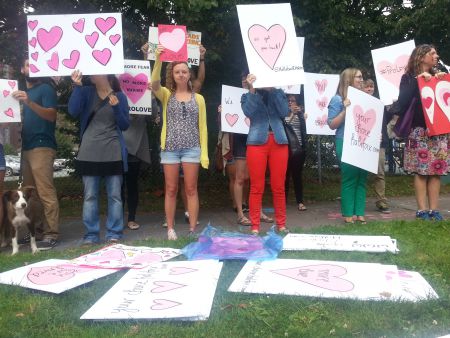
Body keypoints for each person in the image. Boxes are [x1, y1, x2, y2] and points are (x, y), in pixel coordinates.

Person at [152, 45, 209, 240]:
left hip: (192, 148)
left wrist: (204, 154)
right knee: (171, 189)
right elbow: (153, 84)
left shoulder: (199, 99)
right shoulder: (167, 95)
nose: (181, 74)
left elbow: (203, 128)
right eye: (177, 71)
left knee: (191, 189)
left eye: (184, 71)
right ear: (172, 74)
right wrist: (158, 59)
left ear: (189, 74)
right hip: (170, 149)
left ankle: (193, 229)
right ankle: (170, 228)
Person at [68, 71, 129, 244]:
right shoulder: (86, 91)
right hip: (89, 151)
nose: (90, 74)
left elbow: (124, 125)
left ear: (105, 73)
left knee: (115, 195)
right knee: (90, 196)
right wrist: (77, 88)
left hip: (113, 151)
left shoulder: (120, 97)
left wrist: (116, 108)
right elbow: (73, 111)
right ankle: (91, 234)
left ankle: (114, 233)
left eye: (94, 70)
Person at [12, 58, 59, 250]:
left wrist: (29, 102)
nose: (30, 67)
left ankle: (52, 233)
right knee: (31, 195)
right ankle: (37, 232)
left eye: (34, 64)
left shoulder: (46, 89)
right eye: (27, 65)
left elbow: (51, 115)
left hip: (42, 146)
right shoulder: (20, 94)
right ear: (22, 70)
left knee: (45, 192)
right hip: (27, 147)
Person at [397, 44, 449, 220]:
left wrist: (443, 82)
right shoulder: (408, 78)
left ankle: (434, 210)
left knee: (436, 171)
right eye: (432, 53)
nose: (436, 56)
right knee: (421, 171)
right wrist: (418, 80)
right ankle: (421, 210)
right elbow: (402, 103)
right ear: (421, 57)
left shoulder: (439, 76)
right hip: (419, 131)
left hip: (439, 131)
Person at [241, 74, 289, 235]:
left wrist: (273, 89)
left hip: (279, 142)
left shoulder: (279, 92)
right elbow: (249, 112)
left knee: (279, 186)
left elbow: (284, 112)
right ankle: (255, 226)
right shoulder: (247, 95)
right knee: (256, 186)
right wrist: (253, 89)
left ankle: (281, 224)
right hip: (256, 143)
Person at [327, 68, 366, 224]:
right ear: (349, 79)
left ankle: (360, 213)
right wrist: (345, 110)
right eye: (359, 77)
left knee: (362, 178)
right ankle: (349, 214)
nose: (362, 80)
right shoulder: (337, 99)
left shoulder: (364, 99)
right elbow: (332, 124)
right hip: (345, 140)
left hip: (362, 142)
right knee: (350, 178)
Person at [362, 79, 391, 213]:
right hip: (361, 142)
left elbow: (386, 119)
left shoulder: (380, 103)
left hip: (379, 143)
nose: (369, 89)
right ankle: (358, 200)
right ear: (362, 88)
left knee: (379, 173)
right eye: (366, 87)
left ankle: (381, 201)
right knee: (359, 173)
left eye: (371, 86)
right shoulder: (358, 102)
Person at [284, 94, 308, 211]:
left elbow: (305, 130)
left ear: (297, 103)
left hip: (299, 149)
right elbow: (285, 125)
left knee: (297, 176)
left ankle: (300, 202)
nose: (290, 102)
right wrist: (291, 113)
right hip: (286, 149)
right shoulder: (282, 113)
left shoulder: (300, 114)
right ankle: (283, 202)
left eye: (292, 100)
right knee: (285, 176)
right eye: (288, 100)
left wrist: (302, 116)